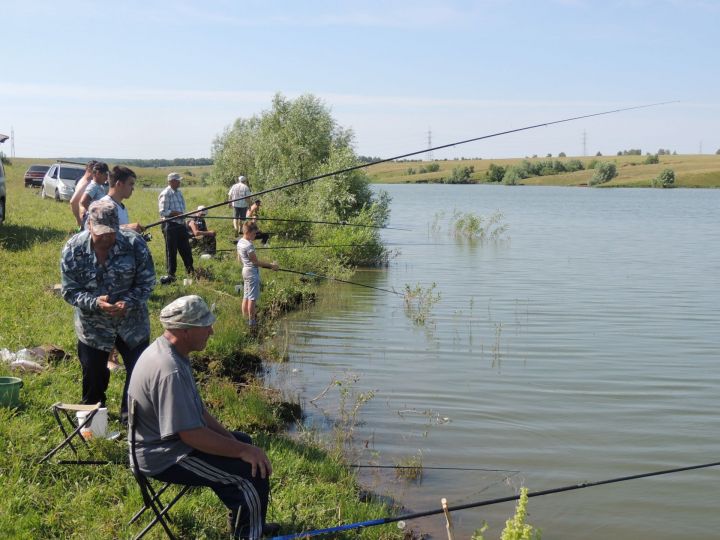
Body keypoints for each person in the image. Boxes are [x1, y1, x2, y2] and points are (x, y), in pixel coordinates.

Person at [127, 295, 276, 539]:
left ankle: (247, 519)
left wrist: (236, 443)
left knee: (245, 441)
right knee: (249, 475)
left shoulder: (172, 352)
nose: (212, 330)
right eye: (205, 325)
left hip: (170, 443)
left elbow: (198, 412)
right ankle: (250, 533)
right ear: (184, 331)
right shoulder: (169, 369)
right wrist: (242, 452)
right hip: (163, 457)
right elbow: (191, 435)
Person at [60, 200, 155, 424]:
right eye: (101, 233)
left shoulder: (135, 244)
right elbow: (70, 291)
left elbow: (147, 283)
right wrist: (95, 302)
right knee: (93, 374)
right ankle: (93, 420)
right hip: (93, 328)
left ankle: (131, 419)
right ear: (89, 225)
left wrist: (127, 302)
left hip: (132, 325)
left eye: (111, 233)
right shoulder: (73, 249)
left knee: (138, 372)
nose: (106, 238)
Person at [237, 221, 278, 328]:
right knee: (252, 298)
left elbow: (239, 259)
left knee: (246, 296)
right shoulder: (249, 245)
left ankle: (244, 318)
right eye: (255, 233)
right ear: (249, 232)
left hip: (245, 270)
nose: (256, 235)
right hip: (251, 272)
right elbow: (255, 262)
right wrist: (271, 266)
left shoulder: (240, 241)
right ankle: (252, 322)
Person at [158, 172, 194, 284]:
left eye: (179, 180)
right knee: (171, 251)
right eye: (177, 180)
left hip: (181, 224)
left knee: (186, 248)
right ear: (171, 181)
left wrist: (182, 214)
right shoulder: (165, 193)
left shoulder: (179, 193)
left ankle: (190, 270)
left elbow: (182, 208)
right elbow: (163, 211)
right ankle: (171, 275)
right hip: (170, 225)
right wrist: (175, 213)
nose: (179, 182)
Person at [100, 165, 144, 233]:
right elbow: (97, 230)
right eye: (130, 184)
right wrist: (127, 227)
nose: (133, 188)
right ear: (119, 184)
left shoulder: (121, 207)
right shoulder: (103, 205)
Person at [70, 160, 98, 227]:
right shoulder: (86, 183)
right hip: (86, 219)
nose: (97, 173)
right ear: (90, 169)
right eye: (96, 170)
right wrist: (78, 220)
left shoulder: (85, 180)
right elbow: (73, 202)